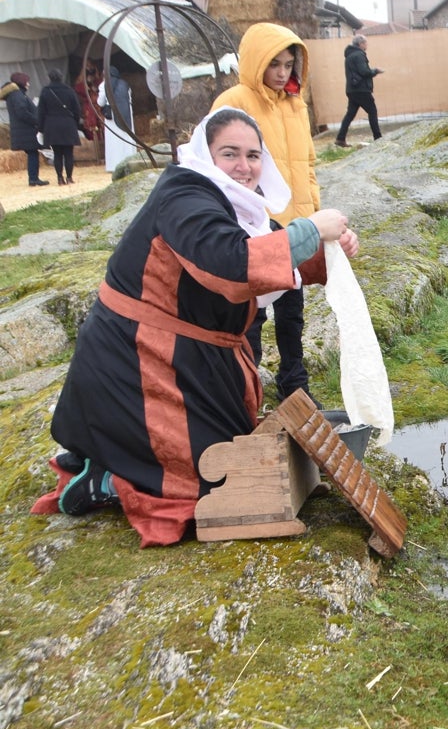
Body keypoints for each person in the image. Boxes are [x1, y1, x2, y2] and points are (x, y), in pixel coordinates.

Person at [31, 107, 359, 547]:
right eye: (230, 153)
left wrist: (326, 250)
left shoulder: (233, 204)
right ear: (206, 153)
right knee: (212, 483)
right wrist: (309, 230)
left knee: (235, 458)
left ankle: (109, 460)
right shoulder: (185, 196)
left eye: (252, 155)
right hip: (137, 360)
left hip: (190, 356)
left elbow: (263, 246)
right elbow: (233, 264)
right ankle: (103, 480)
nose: (244, 167)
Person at [213, 23, 322, 405]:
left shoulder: (296, 103)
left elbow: (307, 161)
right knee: (253, 313)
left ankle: (294, 382)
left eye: (289, 64)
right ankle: (248, 387)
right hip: (256, 221)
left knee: (292, 309)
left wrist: (314, 210)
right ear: (256, 61)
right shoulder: (235, 100)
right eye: (274, 63)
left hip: (295, 221)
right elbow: (219, 163)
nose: (282, 72)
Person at [334, 34, 383, 147]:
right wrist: (375, 71)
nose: (367, 45)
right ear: (360, 44)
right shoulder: (359, 55)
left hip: (352, 89)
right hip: (361, 89)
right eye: (365, 43)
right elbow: (364, 71)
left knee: (350, 114)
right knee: (372, 111)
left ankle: (340, 138)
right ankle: (378, 137)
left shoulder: (349, 55)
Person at [36, 68, 82, 185]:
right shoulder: (69, 90)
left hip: (52, 125)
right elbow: (77, 110)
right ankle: (69, 177)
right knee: (68, 153)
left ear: (49, 78)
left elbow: (41, 112)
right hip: (68, 123)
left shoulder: (46, 91)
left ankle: (60, 178)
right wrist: (75, 123)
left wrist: (41, 128)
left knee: (57, 153)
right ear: (61, 77)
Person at [1, 72, 48, 186]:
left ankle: (33, 178)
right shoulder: (17, 95)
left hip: (23, 130)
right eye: (27, 81)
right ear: (22, 82)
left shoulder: (16, 95)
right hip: (26, 130)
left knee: (33, 153)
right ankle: (33, 179)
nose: (28, 84)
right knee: (33, 153)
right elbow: (22, 113)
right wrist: (36, 121)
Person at [97, 65, 138, 172]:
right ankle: (129, 162)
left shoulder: (104, 85)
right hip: (126, 115)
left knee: (114, 141)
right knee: (127, 139)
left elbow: (100, 102)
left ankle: (114, 165)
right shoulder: (125, 84)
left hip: (112, 118)